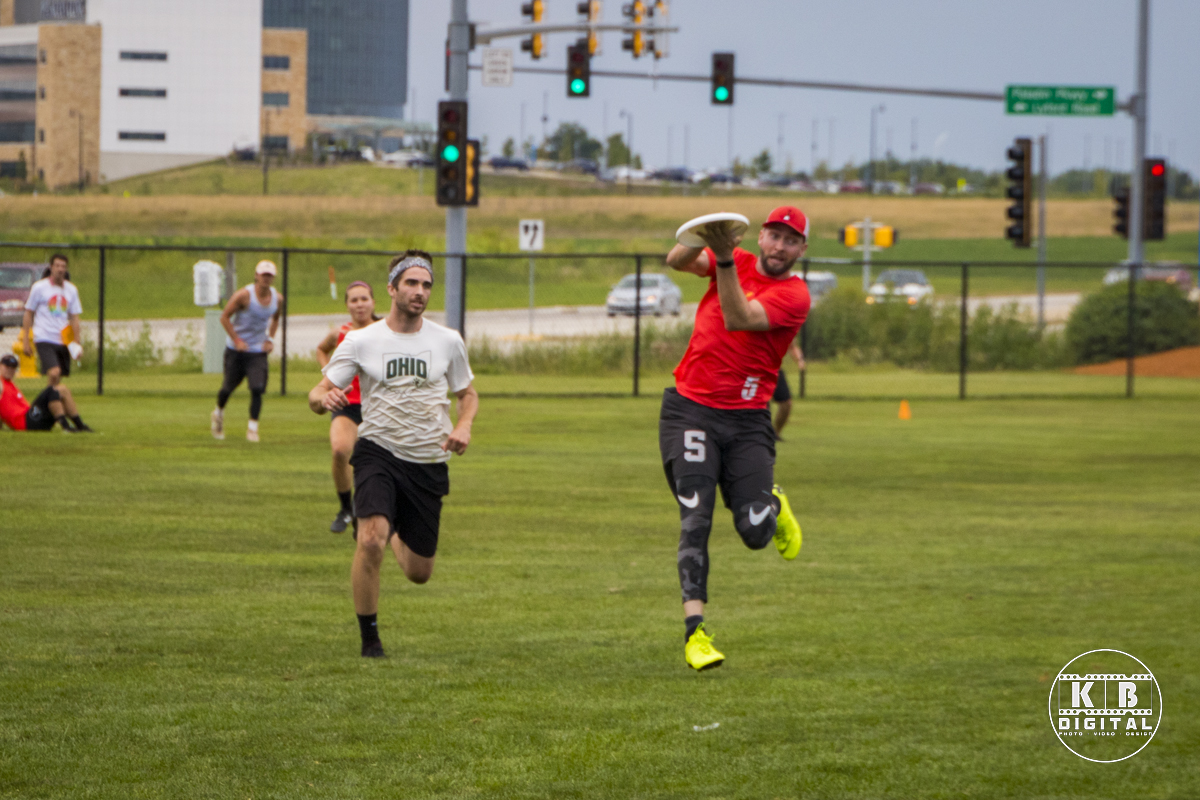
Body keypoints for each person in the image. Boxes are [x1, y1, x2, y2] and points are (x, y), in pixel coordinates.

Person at [660, 205, 812, 671]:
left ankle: (773, 503)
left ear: (801, 250)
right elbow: (678, 260)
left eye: (791, 241)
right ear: (761, 236)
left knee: (753, 534)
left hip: (746, 421)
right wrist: (705, 230)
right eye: (774, 236)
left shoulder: (796, 295)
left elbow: (739, 317)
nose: (780, 248)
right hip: (690, 410)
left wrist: (724, 258)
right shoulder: (738, 259)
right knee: (696, 515)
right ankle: (696, 633)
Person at [307, 250, 479, 658]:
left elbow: (467, 393)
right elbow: (317, 391)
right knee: (369, 541)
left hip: (428, 460)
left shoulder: (447, 340)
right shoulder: (361, 340)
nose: (420, 292)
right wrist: (322, 398)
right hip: (377, 451)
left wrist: (464, 425)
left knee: (420, 573)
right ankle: (370, 642)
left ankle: (394, 529)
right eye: (411, 283)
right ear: (392, 288)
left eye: (426, 285)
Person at [314, 281, 381, 533]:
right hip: (347, 403)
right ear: (347, 305)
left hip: (378, 406)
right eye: (354, 300)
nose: (360, 304)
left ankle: (377, 511)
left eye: (364, 299)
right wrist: (328, 376)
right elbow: (321, 349)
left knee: (374, 463)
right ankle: (346, 508)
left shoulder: (386, 330)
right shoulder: (341, 333)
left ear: (374, 302)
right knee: (341, 450)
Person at [211, 260, 283, 443]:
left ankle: (252, 429)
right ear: (256, 276)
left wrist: (270, 339)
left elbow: (276, 318)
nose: (266, 278)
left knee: (257, 388)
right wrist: (237, 340)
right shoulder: (244, 296)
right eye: (263, 275)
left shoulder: (278, 299)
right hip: (236, 350)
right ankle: (218, 413)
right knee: (227, 388)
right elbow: (224, 317)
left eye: (269, 275)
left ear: (273, 277)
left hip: (257, 351)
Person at [21, 253, 92, 431]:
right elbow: (29, 312)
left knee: (57, 383)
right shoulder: (40, 287)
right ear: (51, 268)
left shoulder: (71, 290)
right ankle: (61, 421)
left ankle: (46, 415)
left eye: (63, 266)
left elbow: (74, 318)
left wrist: (76, 343)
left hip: (63, 341)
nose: (60, 269)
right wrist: (26, 340)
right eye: (57, 266)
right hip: (44, 337)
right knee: (54, 372)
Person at [0, 353, 82, 432]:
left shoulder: (10, 384)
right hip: (26, 423)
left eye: (13, 368)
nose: (10, 370)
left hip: (33, 418)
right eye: (7, 366)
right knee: (51, 391)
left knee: (63, 389)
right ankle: (66, 427)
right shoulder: (1, 383)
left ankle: (80, 426)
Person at [772, 340, 805, 441]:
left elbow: (792, 345)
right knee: (759, 405)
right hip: (752, 368)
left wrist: (800, 360)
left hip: (774, 368)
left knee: (786, 404)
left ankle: (775, 434)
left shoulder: (780, 325)